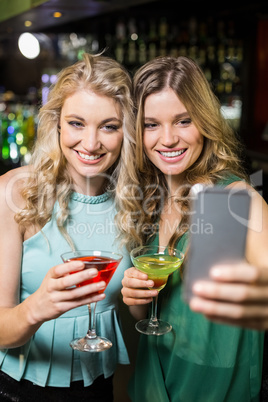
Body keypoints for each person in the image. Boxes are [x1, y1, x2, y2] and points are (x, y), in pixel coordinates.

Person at [117, 55, 268, 401]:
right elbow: (154, 310)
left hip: (213, 387)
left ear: (204, 121)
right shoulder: (148, 202)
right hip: (153, 379)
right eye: (151, 124)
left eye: (183, 121)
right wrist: (136, 296)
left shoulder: (233, 198)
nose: (167, 139)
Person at [0, 52, 135, 402]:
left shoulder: (135, 202)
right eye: (77, 123)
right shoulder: (15, 194)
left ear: (127, 132)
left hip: (100, 387)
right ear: (57, 123)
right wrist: (36, 307)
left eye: (109, 126)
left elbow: (135, 310)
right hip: (19, 391)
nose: (90, 144)